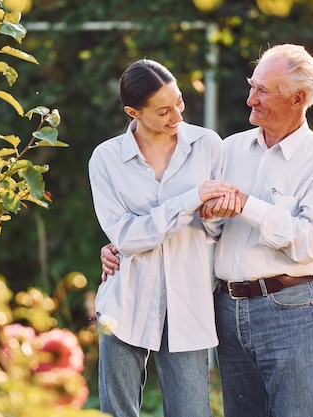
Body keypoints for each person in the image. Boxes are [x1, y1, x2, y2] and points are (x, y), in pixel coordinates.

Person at [100, 44, 313, 417]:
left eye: (262, 90)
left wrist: (248, 204)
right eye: (252, 86)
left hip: (293, 309)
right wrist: (119, 245)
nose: (250, 99)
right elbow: (205, 226)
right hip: (228, 309)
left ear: (298, 98)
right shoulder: (227, 150)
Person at [88, 58, 238, 417]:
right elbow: (125, 236)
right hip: (126, 301)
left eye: (179, 102)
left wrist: (214, 213)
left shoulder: (207, 145)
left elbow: (218, 231)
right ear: (132, 112)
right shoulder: (106, 159)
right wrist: (190, 200)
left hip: (189, 301)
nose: (177, 117)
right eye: (163, 111)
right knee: (116, 412)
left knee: (192, 412)